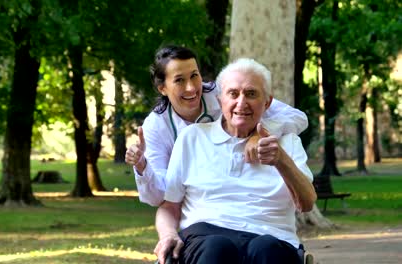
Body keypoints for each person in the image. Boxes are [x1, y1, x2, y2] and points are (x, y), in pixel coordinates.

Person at [154, 58, 317, 264]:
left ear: (267, 102)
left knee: (266, 248)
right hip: (205, 237)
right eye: (233, 93)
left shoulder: (288, 143)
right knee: (218, 248)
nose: (241, 103)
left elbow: (307, 203)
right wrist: (168, 234)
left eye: (251, 94)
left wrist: (281, 161)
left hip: (272, 236)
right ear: (221, 100)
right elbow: (169, 207)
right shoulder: (192, 137)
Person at [125, 45, 309, 207]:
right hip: (191, 206)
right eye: (179, 80)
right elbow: (159, 195)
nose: (191, 88)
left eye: (194, 76)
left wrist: (259, 133)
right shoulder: (155, 126)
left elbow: (297, 118)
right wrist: (142, 165)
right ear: (162, 88)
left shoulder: (224, 93)